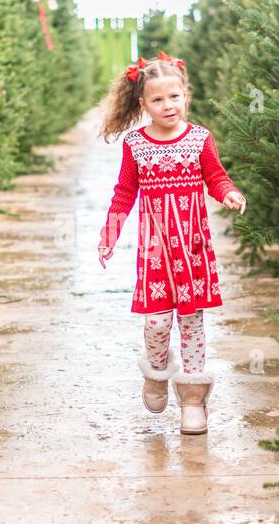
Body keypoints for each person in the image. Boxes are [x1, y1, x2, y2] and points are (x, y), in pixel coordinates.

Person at [96, 51, 246, 435]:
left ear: (186, 96)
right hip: (156, 254)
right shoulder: (137, 145)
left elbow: (216, 177)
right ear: (143, 103)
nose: (168, 105)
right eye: (158, 99)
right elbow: (125, 192)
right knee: (158, 322)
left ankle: (194, 401)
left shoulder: (199, 139)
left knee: (193, 321)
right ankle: (157, 371)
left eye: (174, 97)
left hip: (193, 250)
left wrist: (228, 193)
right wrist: (110, 231)